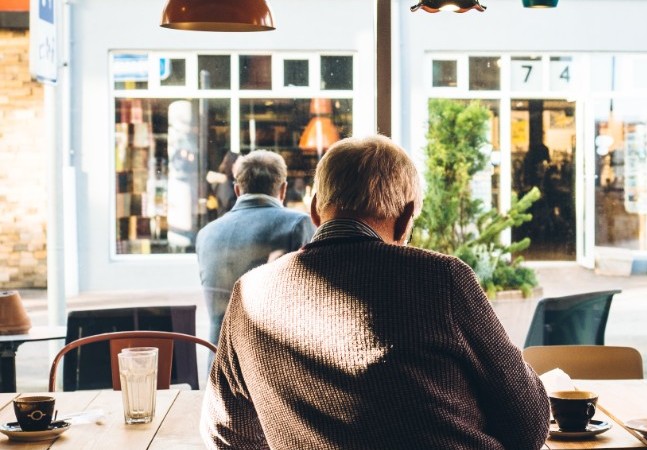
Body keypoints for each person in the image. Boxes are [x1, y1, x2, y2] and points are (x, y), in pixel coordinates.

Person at [201, 135, 550, 450]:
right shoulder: (441, 279)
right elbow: (529, 427)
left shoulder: (249, 294)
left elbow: (227, 434)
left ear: (315, 210)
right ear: (406, 218)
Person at [195, 150, 315, 345]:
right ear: (283, 190)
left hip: (217, 363)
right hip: (270, 363)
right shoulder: (297, 225)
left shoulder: (206, 234)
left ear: (237, 190)